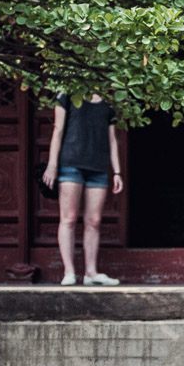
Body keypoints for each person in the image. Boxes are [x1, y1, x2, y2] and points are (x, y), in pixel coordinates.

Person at [43, 92, 123, 286]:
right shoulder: (67, 95)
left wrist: (117, 172)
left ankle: (91, 272)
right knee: (69, 218)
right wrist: (52, 165)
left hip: (98, 166)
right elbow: (58, 131)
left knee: (94, 220)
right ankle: (69, 271)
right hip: (71, 164)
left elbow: (112, 139)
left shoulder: (108, 101)